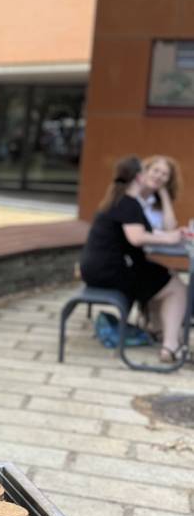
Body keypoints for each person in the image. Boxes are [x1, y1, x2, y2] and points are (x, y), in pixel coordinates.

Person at [80, 154, 188, 364]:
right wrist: (171, 238)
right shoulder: (129, 203)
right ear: (140, 177)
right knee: (176, 287)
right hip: (110, 272)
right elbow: (137, 237)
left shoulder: (120, 199)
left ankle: (159, 330)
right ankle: (171, 344)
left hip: (99, 268)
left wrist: (170, 236)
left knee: (162, 276)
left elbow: (142, 232)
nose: (157, 177)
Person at [139, 155, 182, 232]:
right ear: (145, 170)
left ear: (169, 180)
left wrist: (164, 194)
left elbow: (170, 228)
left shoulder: (157, 202)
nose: (159, 176)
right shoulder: (131, 195)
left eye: (164, 174)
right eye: (156, 170)